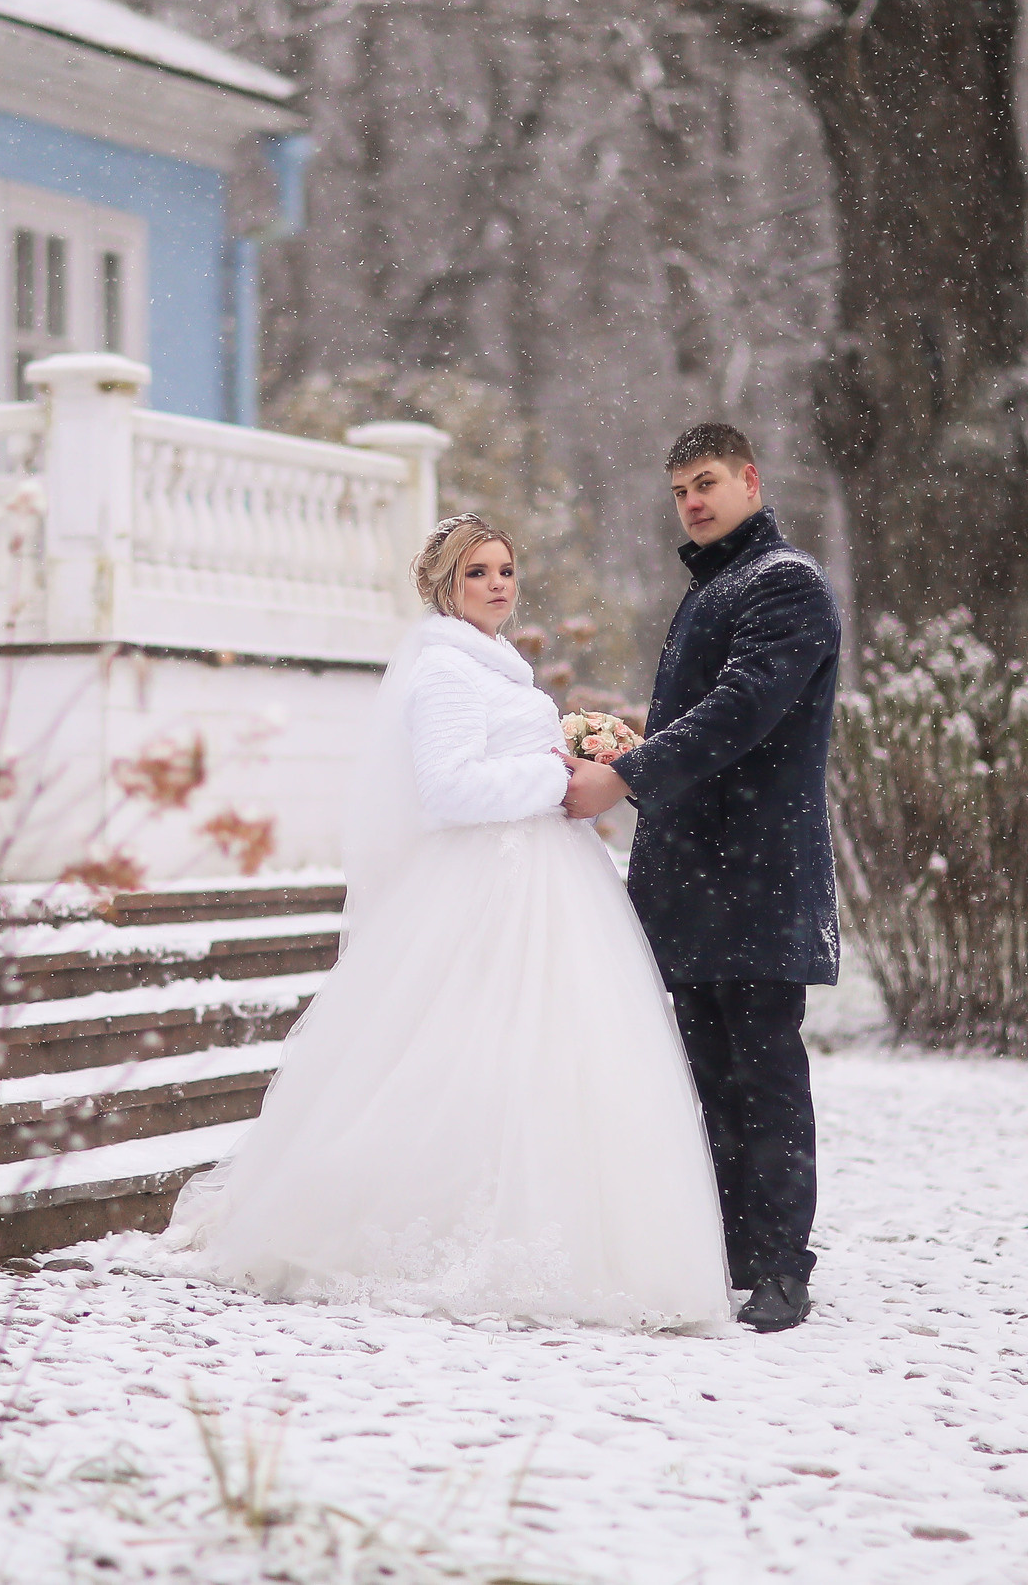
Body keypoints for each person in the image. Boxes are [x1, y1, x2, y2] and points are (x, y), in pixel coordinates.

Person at [167, 515, 734, 1331]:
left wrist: (577, 766)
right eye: (478, 572)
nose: (499, 583)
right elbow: (447, 791)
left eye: (506, 569)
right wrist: (551, 777)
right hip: (483, 889)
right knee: (460, 1054)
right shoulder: (442, 671)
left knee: (549, 1058)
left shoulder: (501, 670)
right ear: (445, 584)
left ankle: (568, 1226)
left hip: (546, 880)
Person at [562, 423, 842, 1334]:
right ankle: (729, 1247)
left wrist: (628, 772)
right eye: (680, 487)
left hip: (758, 872)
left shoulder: (785, 585)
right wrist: (635, 749)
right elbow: (707, 721)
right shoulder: (715, 586)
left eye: (708, 481)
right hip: (692, 875)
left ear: (752, 481)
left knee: (764, 1071)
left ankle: (783, 1268)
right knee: (707, 1072)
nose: (693, 500)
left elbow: (744, 708)